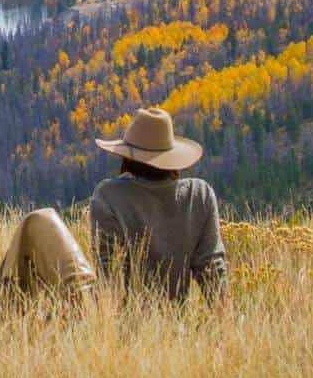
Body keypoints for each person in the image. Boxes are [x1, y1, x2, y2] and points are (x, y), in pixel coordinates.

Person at [88, 107, 227, 303]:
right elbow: (212, 268)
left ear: (128, 157)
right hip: (176, 322)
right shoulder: (198, 196)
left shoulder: (109, 195)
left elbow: (108, 271)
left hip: (119, 321)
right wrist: (227, 323)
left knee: (42, 224)